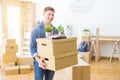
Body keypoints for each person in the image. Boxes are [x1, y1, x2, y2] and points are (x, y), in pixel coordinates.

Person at [30, 6, 57, 80]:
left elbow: (56, 46)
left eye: (52, 15)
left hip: (51, 62)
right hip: (39, 61)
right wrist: (39, 60)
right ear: (44, 14)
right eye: (49, 14)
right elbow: (32, 47)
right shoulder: (35, 30)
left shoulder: (55, 30)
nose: (51, 17)